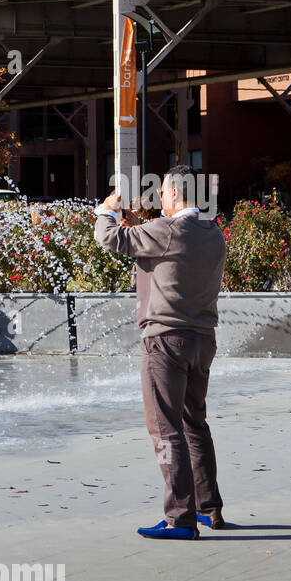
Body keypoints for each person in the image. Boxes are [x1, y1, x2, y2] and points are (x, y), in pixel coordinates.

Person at [94, 164, 228, 540]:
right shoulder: (212, 233)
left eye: (164, 192)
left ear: (173, 194)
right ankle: (208, 510)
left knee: (165, 430)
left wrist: (106, 211)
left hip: (166, 343)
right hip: (202, 340)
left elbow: (110, 239)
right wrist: (137, 224)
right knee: (194, 425)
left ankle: (179, 518)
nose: (161, 198)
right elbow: (165, 256)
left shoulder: (167, 231)